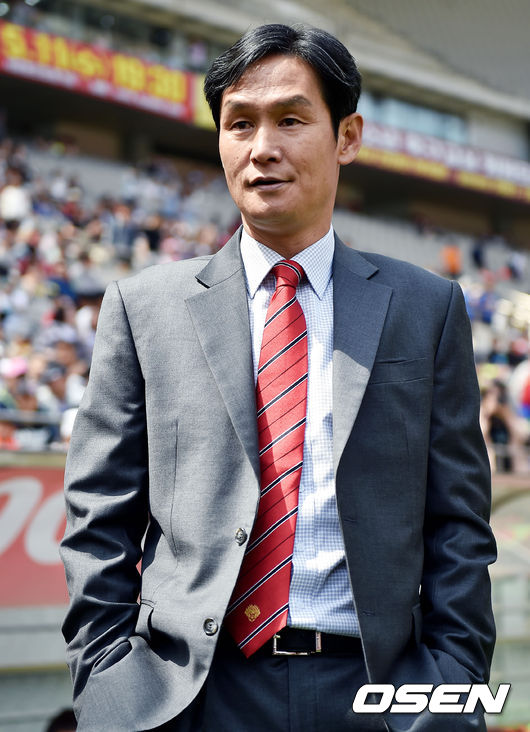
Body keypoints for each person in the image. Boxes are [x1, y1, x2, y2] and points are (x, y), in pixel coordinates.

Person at [60, 23, 496, 732]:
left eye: (291, 120)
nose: (262, 147)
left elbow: (459, 527)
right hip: (193, 698)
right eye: (240, 123)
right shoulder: (144, 309)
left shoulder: (426, 308)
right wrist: (109, 687)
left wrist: (450, 686)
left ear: (347, 137)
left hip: (377, 693)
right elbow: (98, 519)